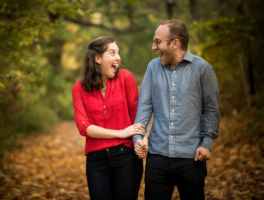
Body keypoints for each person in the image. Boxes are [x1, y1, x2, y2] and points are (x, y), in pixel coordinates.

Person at [133, 19, 220, 200]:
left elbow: (211, 109)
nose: (153, 47)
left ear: (175, 43)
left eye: (158, 41)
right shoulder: (152, 68)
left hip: (191, 157)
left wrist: (207, 143)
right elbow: (144, 107)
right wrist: (138, 137)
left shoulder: (203, 69)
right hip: (157, 156)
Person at [72, 36, 144, 200]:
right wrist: (120, 133)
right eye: (112, 53)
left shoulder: (126, 78)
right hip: (96, 161)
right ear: (97, 58)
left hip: (126, 156)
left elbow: (137, 117)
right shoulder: (79, 89)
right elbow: (85, 128)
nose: (118, 57)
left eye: (118, 53)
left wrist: (141, 139)